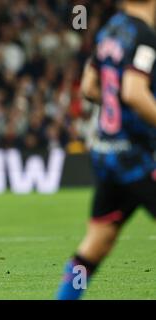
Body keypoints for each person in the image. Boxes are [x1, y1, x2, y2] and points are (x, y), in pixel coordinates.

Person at [57, 0, 156, 300]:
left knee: (96, 243)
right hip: (137, 158)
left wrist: (117, 116)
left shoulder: (108, 32)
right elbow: (133, 92)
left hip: (107, 152)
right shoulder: (143, 36)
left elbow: (89, 87)